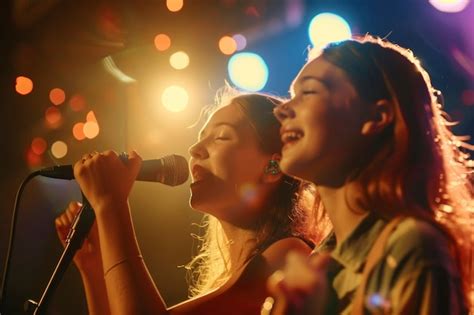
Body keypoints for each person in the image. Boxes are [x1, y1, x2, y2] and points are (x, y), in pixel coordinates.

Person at [55, 91, 316, 314]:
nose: (195, 149)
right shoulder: (236, 275)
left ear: (273, 166)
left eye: (221, 137)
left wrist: (111, 205)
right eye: (201, 137)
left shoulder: (290, 256)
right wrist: (93, 267)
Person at [268, 35, 472, 314]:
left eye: (309, 92)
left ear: (377, 118)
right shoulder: (321, 262)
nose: (282, 109)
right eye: (292, 96)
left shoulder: (409, 248)